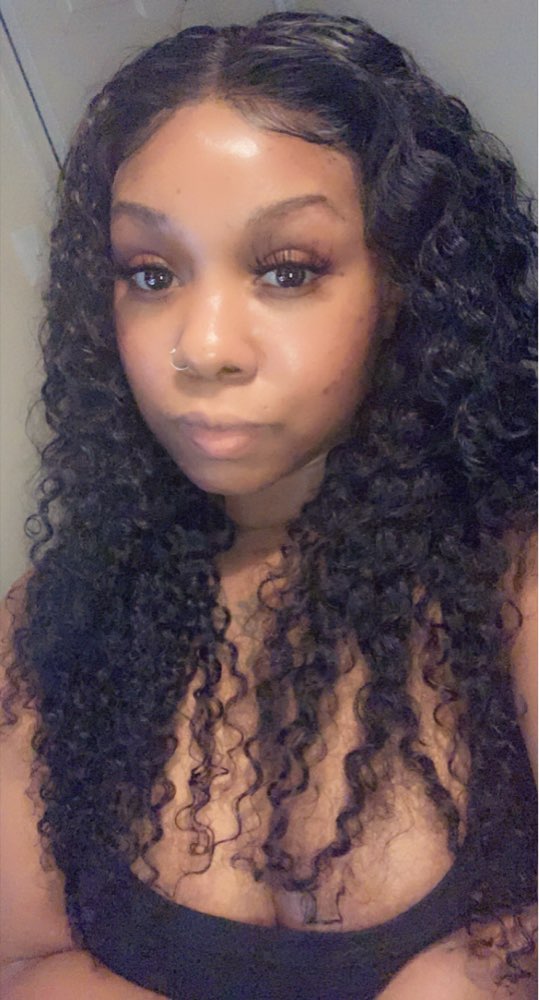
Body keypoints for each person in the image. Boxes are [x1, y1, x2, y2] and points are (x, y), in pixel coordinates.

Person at [0, 9, 537, 999]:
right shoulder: (56, 616)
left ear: (404, 286)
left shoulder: (512, 579)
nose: (202, 347)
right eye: (151, 273)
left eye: (286, 270)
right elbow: (23, 962)